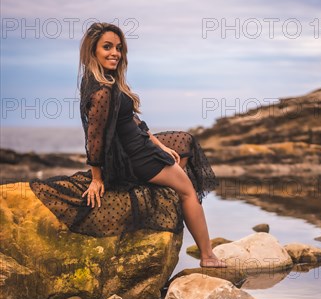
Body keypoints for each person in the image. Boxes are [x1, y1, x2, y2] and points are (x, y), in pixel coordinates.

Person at [30, 22, 226, 268]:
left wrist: (158, 144)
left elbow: (131, 120)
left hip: (140, 145)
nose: (115, 53)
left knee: (183, 141)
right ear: (93, 51)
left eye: (119, 48)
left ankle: (169, 194)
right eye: (107, 47)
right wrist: (97, 178)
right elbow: (95, 138)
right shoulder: (101, 90)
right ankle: (207, 256)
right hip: (136, 157)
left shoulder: (107, 80)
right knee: (188, 191)